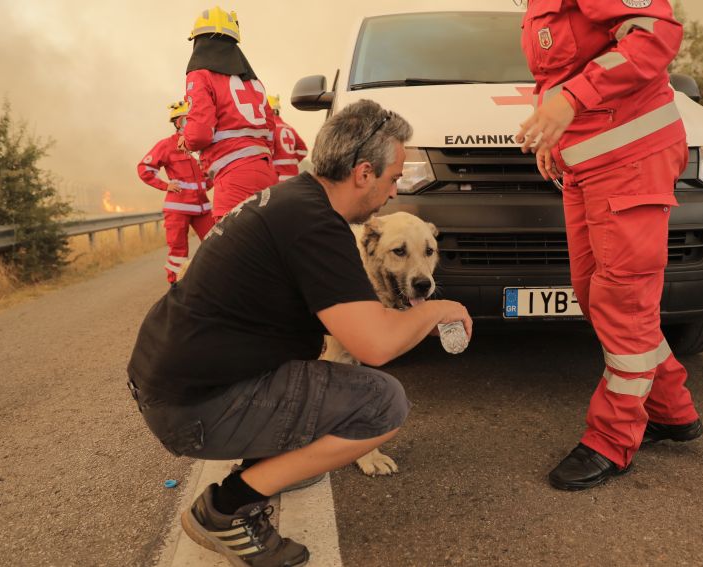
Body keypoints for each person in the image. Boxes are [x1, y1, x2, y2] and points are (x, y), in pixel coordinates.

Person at [126, 99, 472, 566]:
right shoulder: (316, 228)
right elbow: (375, 346)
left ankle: (265, 458)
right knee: (382, 402)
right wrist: (441, 310)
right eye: (394, 179)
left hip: (171, 383)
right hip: (190, 409)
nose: (394, 192)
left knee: (319, 381)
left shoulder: (294, 201)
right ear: (364, 173)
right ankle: (226, 510)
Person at [516, 0, 703, 491]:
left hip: (632, 158)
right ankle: (671, 410)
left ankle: (612, 441)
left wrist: (573, 99)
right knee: (595, 294)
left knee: (623, 302)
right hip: (586, 165)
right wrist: (551, 138)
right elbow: (562, 72)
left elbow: (655, 35)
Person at [180, 6, 278, 221]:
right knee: (266, 247)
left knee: (231, 251)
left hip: (234, 177)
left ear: (198, 42)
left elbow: (199, 135)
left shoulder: (200, 74)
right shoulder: (254, 82)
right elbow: (271, 130)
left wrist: (185, 141)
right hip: (266, 172)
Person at [137, 101, 214, 284]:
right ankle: (177, 287)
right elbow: (144, 168)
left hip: (202, 208)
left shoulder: (201, 145)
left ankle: (214, 282)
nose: (192, 123)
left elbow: (210, 170)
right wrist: (165, 185)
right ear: (179, 122)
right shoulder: (167, 145)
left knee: (216, 242)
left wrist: (207, 184)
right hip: (178, 209)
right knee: (178, 253)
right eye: (188, 120)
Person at [267, 94, 309, 181]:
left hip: (278, 179)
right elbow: (303, 150)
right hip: (293, 178)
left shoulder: (270, 129)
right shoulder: (289, 128)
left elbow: (269, 153)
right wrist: (291, 160)